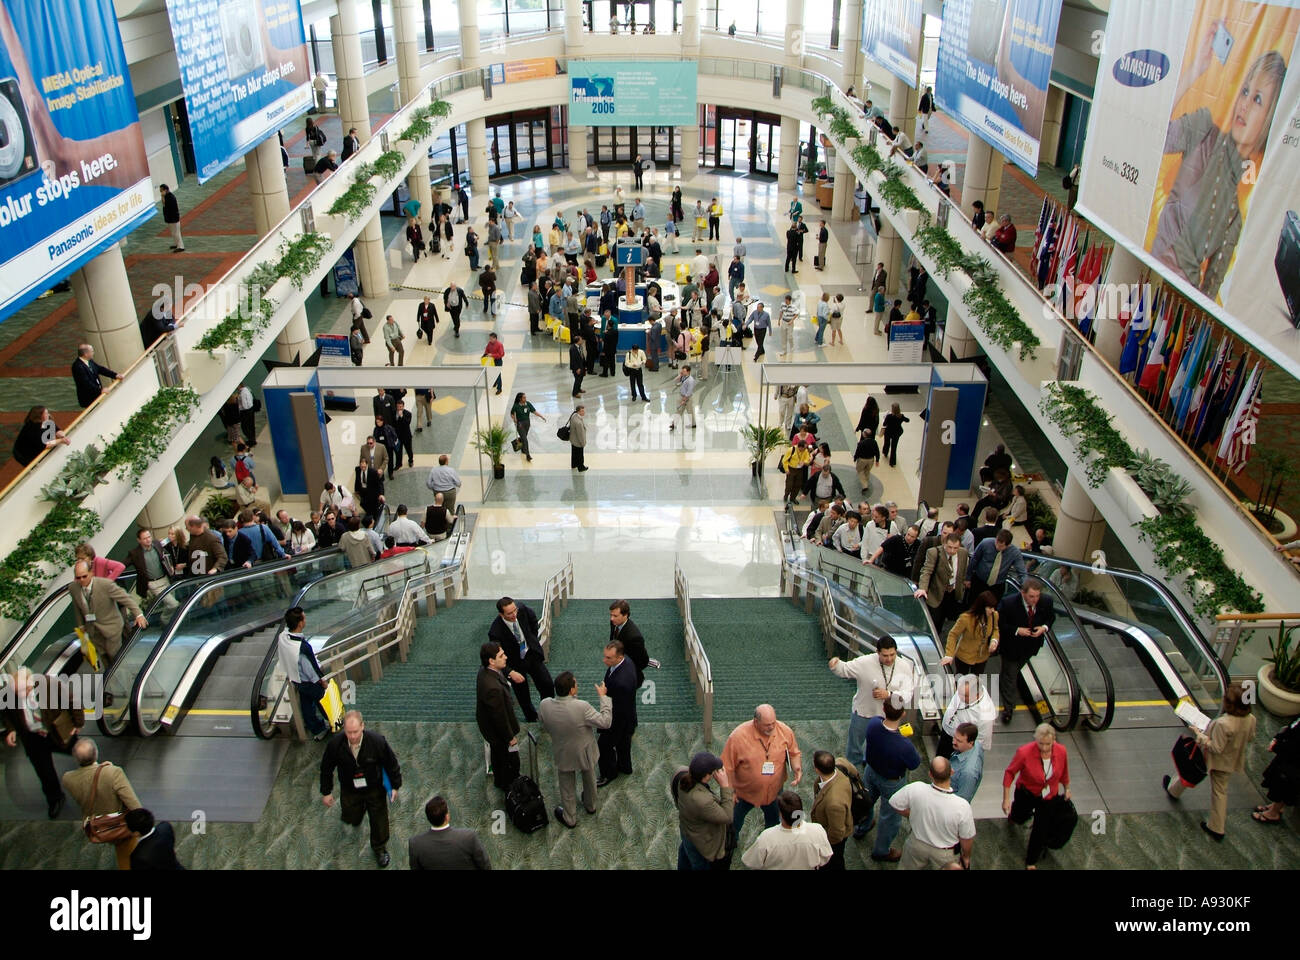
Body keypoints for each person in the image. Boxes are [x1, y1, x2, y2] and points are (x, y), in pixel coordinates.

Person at [1153, 47, 1284, 298]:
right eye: (1245, 91)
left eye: (1257, 99)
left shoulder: (1237, 212)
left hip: (1176, 303)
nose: (1244, 105)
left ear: (1270, 119)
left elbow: (1209, 292)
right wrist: (1193, 72)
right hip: (1147, 273)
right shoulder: (1203, 129)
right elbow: (1153, 133)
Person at [1162, 682, 1257, 841]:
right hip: (1233, 758)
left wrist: (1200, 735)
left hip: (1216, 761)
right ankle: (1173, 789)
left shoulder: (1223, 723)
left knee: (1206, 782)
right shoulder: (1251, 719)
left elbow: (1215, 748)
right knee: (1212, 786)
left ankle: (1216, 827)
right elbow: (1251, 737)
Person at [321, 710, 402, 868]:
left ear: (362, 726)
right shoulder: (335, 745)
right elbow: (326, 768)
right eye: (349, 732)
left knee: (379, 820)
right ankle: (356, 816)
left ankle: (379, 848)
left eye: (355, 732)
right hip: (349, 788)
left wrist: (395, 786)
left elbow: (391, 763)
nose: (352, 736)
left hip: (374, 787)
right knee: (351, 815)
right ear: (344, 729)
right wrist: (326, 791)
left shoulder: (377, 741)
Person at [1, 667, 82, 818]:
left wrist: (78, 723)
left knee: (80, 752)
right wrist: (11, 729)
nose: (18, 696)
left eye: (22, 691)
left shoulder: (50, 685)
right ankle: (55, 799)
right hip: (32, 737)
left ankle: (95, 781)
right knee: (44, 772)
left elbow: (73, 701)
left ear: (30, 683)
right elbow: (6, 712)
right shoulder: (10, 692)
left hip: (56, 731)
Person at [539, 671, 612, 828]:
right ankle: (591, 806)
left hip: (563, 751)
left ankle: (570, 818)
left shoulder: (544, 704)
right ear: (572, 690)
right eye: (576, 684)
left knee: (566, 786)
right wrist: (604, 698)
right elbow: (605, 722)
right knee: (589, 777)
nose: (577, 685)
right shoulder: (582, 707)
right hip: (584, 751)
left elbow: (544, 725)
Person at [721, 704, 802, 838]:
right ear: (756, 722)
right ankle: (730, 845)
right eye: (767, 725)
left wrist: (796, 768)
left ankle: (769, 843)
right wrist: (730, 792)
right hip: (743, 794)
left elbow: (794, 753)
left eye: (773, 723)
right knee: (733, 824)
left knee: (773, 824)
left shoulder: (785, 731)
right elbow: (727, 768)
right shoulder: (737, 737)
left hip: (774, 792)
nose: (771, 727)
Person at [62, 739, 141, 869]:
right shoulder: (113, 773)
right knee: (128, 857)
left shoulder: (68, 779)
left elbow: (88, 780)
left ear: (76, 759)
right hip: (120, 824)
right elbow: (134, 805)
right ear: (96, 753)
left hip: (97, 827)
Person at [1003, 723, 1071, 868]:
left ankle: (1031, 860)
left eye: (1048, 744)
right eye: (1041, 744)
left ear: (1054, 740)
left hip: (1048, 797)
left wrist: (1067, 788)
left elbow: (1064, 771)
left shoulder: (1061, 751)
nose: (1045, 748)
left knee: (1041, 829)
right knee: (1019, 816)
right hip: (1026, 793)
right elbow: (1010, 773)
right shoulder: (1024, 752)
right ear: (1036, 740)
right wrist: (1006, 798)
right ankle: (1014, 818)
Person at [891, 756, 976, 871]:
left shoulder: (916, 788)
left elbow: (894, 802)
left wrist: (912, 815)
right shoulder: (962, 806)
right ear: (951, 772)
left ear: (930, 774)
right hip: (945, 853)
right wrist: (966, 857)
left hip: (916, 844)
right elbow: (966, 837)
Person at [995, 577, 1055, 723]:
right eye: (1031, 596)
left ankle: (1004, 680)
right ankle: (1009, 709)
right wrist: (1017, 630)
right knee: (1010, 675)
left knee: (1010, 673)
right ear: (1023, 593)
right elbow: (999, 624)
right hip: (1011, 647)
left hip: (1031, 647)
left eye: (1037, 596)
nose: (1035, 600)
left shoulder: (1046, 601)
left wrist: (1044, 628)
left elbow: (1050, 618)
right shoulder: (1008, 603)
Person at [487, 597, 555, 723]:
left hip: (531, 655)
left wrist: (531, 638)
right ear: (501, 614)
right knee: (523, 696)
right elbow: (496, 657)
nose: (514, 615)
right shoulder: (495, 632)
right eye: (509, 613)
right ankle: (532, 718)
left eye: (515, 611)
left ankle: (548, 714)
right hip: (514, 663)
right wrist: (510, 672)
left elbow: (533, 620)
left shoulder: (522, 609)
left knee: (547, 684)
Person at [69, 560, 146, 665]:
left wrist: (139, 614)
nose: (81, 580)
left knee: (114, 656)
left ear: (91, 573)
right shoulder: (73, 588)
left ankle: (124, 676)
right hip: (93, 630)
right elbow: (77, 606)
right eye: (78, 577)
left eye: (84, 576)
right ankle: (111, 680)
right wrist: (81, 625)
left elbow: (125, 598)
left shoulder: (105, 584)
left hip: (111, 628)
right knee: (104, 657)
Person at [672, 752, 734, 870]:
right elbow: (727, 817)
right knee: (699, 865)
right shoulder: (702, 801)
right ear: (706, 776)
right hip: (700, 842)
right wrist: (725, 786)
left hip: (687, 831)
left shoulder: (681, 776)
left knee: (685, 854)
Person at [741, 789, 831, 870]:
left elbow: (750, 862)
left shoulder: (766, 837)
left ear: (781, 814)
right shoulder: (817, 830)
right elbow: (826, 857)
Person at [595, 640, 638, 785]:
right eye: (605, 656)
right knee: (623, 744)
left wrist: (603, 696)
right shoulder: (626, 661)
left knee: (603, 746)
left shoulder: (621, 682)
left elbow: (617, 709)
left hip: (617, 720)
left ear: (619, 657)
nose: (604, 660)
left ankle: (609, 774)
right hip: (628, 717)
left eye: (608, 658)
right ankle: (625, 767)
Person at [408, 796, 491, 869]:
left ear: (428, 818)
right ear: (447, 817)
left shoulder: (415, 844)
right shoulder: (469, 837)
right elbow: (485, 866)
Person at [914, 532, 970, 640]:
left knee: (949, 621)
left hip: (953, 593)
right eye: (950, 547)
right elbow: (927, 571)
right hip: (937, 592)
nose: (952, 551)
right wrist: (923, 588)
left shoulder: (963, 553)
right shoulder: (934, 552)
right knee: (934, 621)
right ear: (944, 543)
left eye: (955, 548)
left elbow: (963, 571)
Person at [810, 750, 856, 870]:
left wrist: (824, 845)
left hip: (832, 840)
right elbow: (854, 772)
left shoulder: (834, 803)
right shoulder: (841, 764)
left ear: (817, 769)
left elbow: (837, 833)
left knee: (834, 862)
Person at [941, 591, 999, 676]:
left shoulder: (994, 615)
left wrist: (994, 640)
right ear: (982, 606)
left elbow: (995, 629)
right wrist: (949, 654)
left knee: (975, 682)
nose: (992, 610)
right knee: (961, 680)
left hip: (982, 657)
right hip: (964, 657)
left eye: (993, 607)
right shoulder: (966, 618)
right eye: (990, 607)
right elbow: (953, 634)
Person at [1256, 716, 1300, 825]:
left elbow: (1296, 746)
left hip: (1294, 761)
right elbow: (1291, 726)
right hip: (1287, 756)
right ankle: (1276, 806)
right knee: (1278, 781)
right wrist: (1278, 738)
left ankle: (1273, 813)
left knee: (1284, 785)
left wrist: (1277, 746)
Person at [125, 528, 175, 608]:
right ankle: (165, 619)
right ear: (139, 540)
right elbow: (123, 564)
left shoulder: (157, 544)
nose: (148, 540)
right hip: (153, 584)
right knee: (174, 604)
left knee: (170, 604)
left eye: (149, 537)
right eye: (145, 538)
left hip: (165, 579)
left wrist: (171, 566)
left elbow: (167, 554)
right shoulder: (135, 553)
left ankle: (166, 618)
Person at [71, 344, 122, 408]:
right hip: (89, 399)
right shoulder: (77, 366)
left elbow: (100, 369)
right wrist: (100, 390)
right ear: (86, 354)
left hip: (97, 395)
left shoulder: (89, 361)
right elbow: (86, 383)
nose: (93, 353)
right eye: (92, 351)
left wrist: (115, 375)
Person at [949, 721, 985, 803]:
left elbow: (962, 801)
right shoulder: (976, 744)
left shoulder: (968, 772)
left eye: (959, 741)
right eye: (954, 737)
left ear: (970, 743)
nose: (954, 742)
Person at [510, 392, 544, 462]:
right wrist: (514, 419)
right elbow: (512, 413)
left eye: (525, 397)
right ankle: (528, 455)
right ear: (520, 398)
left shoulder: (528, 404)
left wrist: (541, 416)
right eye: (524, 397)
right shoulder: (516, 405)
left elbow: (534, 411)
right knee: (525, 439)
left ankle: (523, 448)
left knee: (524, 437)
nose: (525, 398)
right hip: (520, 424)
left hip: (527, 423)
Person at [669, 364, 696, 431]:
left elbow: (689, 391)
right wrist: (679, 376)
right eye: (682, 371)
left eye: (684, 371)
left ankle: (693, 424)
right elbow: (675, 382)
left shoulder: (691, 380)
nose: (683, 372)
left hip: (687, 398)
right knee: (679, 411)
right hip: (681, 396)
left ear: (688, 372)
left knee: (690, 411)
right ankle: (674, 424)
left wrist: (684, 399)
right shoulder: (683, 377)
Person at [880, 402, 908, 466]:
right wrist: (903, 418)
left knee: (887, 442)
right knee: (894, 447)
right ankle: (892, 462)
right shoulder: (901, 416)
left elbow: (884, 424)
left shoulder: (889, 416)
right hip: (896, 433)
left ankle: (885, 452)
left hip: (888, 432)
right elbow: (907, 420)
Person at [159, 184, 183, 251]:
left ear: (165, 190)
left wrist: (163, 197)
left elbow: (166, 206)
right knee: (173, 233)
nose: (161, 192)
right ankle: (176, 244)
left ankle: (180, 246)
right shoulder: (166, 196)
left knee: (176, 233)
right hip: (170, 218)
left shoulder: (171, 197)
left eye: (161, 191)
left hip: (174, 218)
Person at [567, 405, 588, 472]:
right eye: (582, 411)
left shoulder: (574, 416)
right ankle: (581, 467)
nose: (584, 412)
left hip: (573, 440)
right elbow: (580, 434)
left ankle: (574, 465)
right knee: (580, 455)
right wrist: (583, 443)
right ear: (578, 411)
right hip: (578, 441)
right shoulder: (578, 422)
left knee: (574, 453)